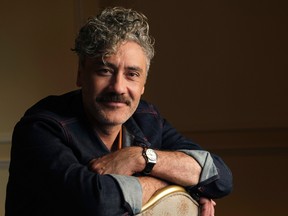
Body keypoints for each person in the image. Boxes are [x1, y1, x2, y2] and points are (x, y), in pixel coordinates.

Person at [5, 7, 232, 216]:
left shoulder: (147, 118)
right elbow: (97, 201)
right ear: (81, 75)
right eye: (104, 71)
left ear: (143, 84)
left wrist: (140, 158)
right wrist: (177, 186)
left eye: (132, 74)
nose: (118, 88)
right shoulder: (39, 128)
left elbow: (220, 177)